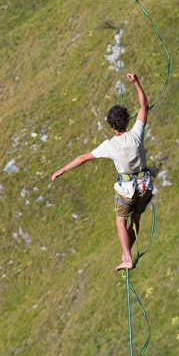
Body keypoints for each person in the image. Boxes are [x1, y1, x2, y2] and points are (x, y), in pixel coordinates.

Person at [51, 73, 153, 271]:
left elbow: (83, 158)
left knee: (120, 221)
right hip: (145, 184)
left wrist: (61, 170)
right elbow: (143, 106)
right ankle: (126, 254)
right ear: (127, 121)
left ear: (112, 126)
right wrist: (136, 82)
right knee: (136, 220)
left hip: (126, 188)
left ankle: (127, 258)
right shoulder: (136, 134)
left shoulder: (110, 145)